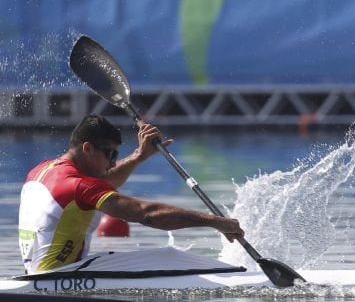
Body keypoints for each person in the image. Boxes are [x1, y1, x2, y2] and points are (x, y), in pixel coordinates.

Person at [18, 114, 244, 274]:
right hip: (62, 275)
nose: (113, 162)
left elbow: (102, 181)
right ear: (87, 148)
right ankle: (240, 277)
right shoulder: (80, 186)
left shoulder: (42, 170)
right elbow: (146, 214)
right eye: (110, 154)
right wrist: (215, 222)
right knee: (167, 257)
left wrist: (139, 156)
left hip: (41, 272)